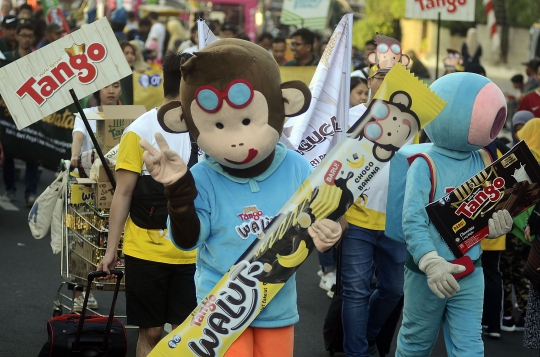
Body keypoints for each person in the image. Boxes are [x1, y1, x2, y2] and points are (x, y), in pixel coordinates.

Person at [141, 38, 342, 357]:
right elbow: (187, 240)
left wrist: (332, 228)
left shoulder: (296, 167)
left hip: (276, 304)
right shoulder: (202, 177)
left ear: (283, 103)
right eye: (218, 125)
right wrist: (178, 191)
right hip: (222, 311)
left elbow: (324, 213)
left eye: (247, 121)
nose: (235, 141)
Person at [395, 72, 511, 357]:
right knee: (415, 344)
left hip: (471, 268)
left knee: (470, 346)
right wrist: (430, 262)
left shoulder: (484, 159)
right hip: (427, 272)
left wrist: (495, 224)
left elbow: (484, 211)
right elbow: (413, 220)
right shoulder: (425, 163)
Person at [98, 52, 198, 357]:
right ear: (186, 84)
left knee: (188, 335)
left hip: (197, 255)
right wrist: (111, 248)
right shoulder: (138, 131)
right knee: (151, 331)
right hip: (146, 252)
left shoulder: (208, 130)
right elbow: (123, 192)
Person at [341, 62, 407, 357]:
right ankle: (357, 352)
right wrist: (337, 213)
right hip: (355, 220)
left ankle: (365, 337)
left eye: (395, 77)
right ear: (370, 81)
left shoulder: (412, 123)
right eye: (382, 76)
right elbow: (332, 167)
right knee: (355, 292)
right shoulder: (351, 117)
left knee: (394, 290)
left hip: (396, 222)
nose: (388, 81)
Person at [1, 22, 38, 207]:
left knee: (33, 151)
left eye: (29, 35)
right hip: (9, 113)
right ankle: (10, 188)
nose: (26, 38)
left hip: (30, 111)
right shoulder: (7, 58)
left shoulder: (38, 60)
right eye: (23, 35)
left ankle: (30, 192)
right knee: (9, 151)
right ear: (17, 36)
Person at [70, 82, 123, 168]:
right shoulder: (85, 114)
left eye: (116, 86)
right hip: (89, 170)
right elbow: (78, 138)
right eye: (105, 86)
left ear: (121, 90)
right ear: (98, 90)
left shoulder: (129, 117)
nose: (111, 91)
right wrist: (75, 155)